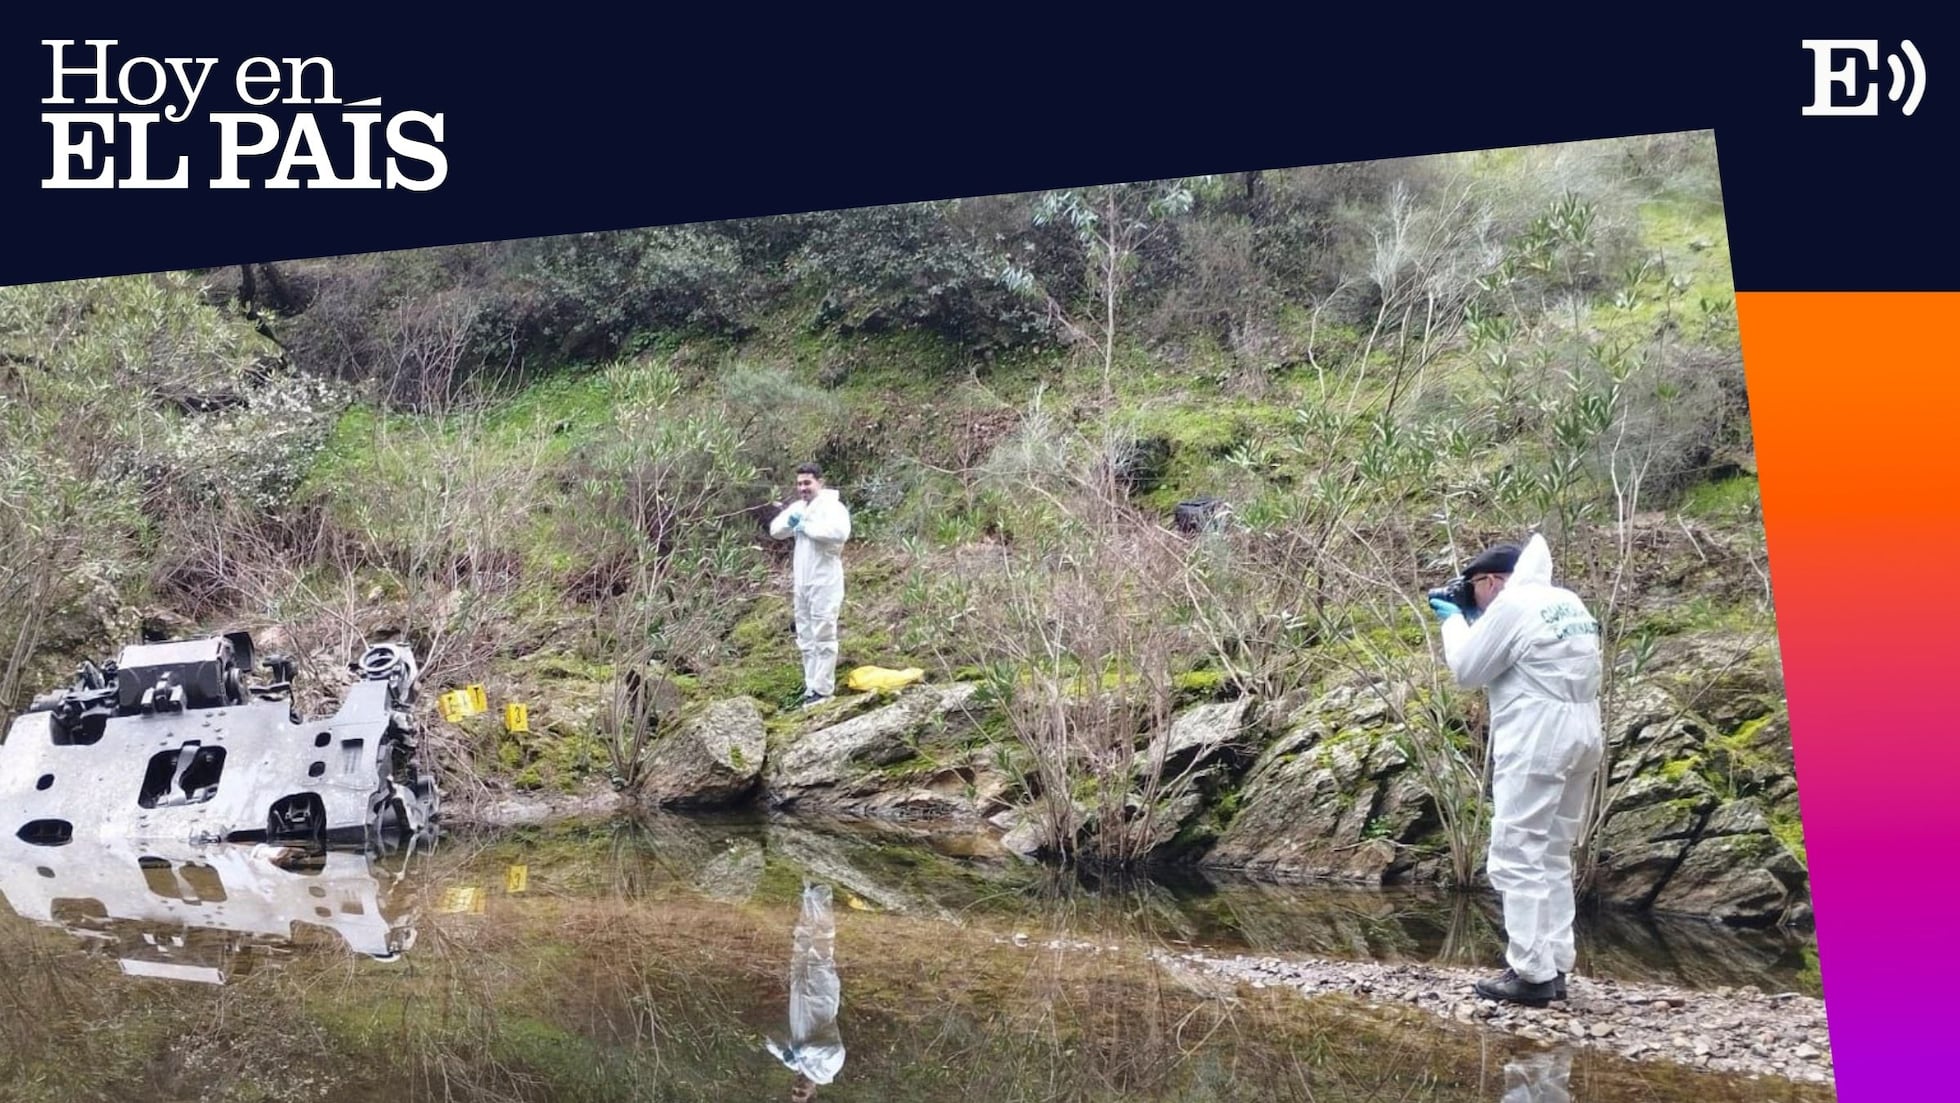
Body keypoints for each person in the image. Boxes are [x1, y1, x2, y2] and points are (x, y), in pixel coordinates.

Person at [1428, 534, 1603, 1007]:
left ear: (1492, 582)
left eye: (1477, 590)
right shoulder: (1565, 600)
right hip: (1585, 731)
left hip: (1537, 736)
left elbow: (1466, 669)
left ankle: (1529, 973)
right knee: (1552, 852)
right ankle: (1557, 963)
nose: (1476, 600)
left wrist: (1452, 620)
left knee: (1516, 852)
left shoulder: (1513, 604)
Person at [769, 463, 852, 707]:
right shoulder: (797, 507)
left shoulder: (833, 507)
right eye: (799, 484)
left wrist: (808, 527)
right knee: (805, 636)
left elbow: (840, 533)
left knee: (824, 633)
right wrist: (791, 523)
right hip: (802, 580)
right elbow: (776, 530)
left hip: (825, 579)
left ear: (819, 482)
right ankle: (810, 687)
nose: (803, 488)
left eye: (807, 483)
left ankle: (824, 689)